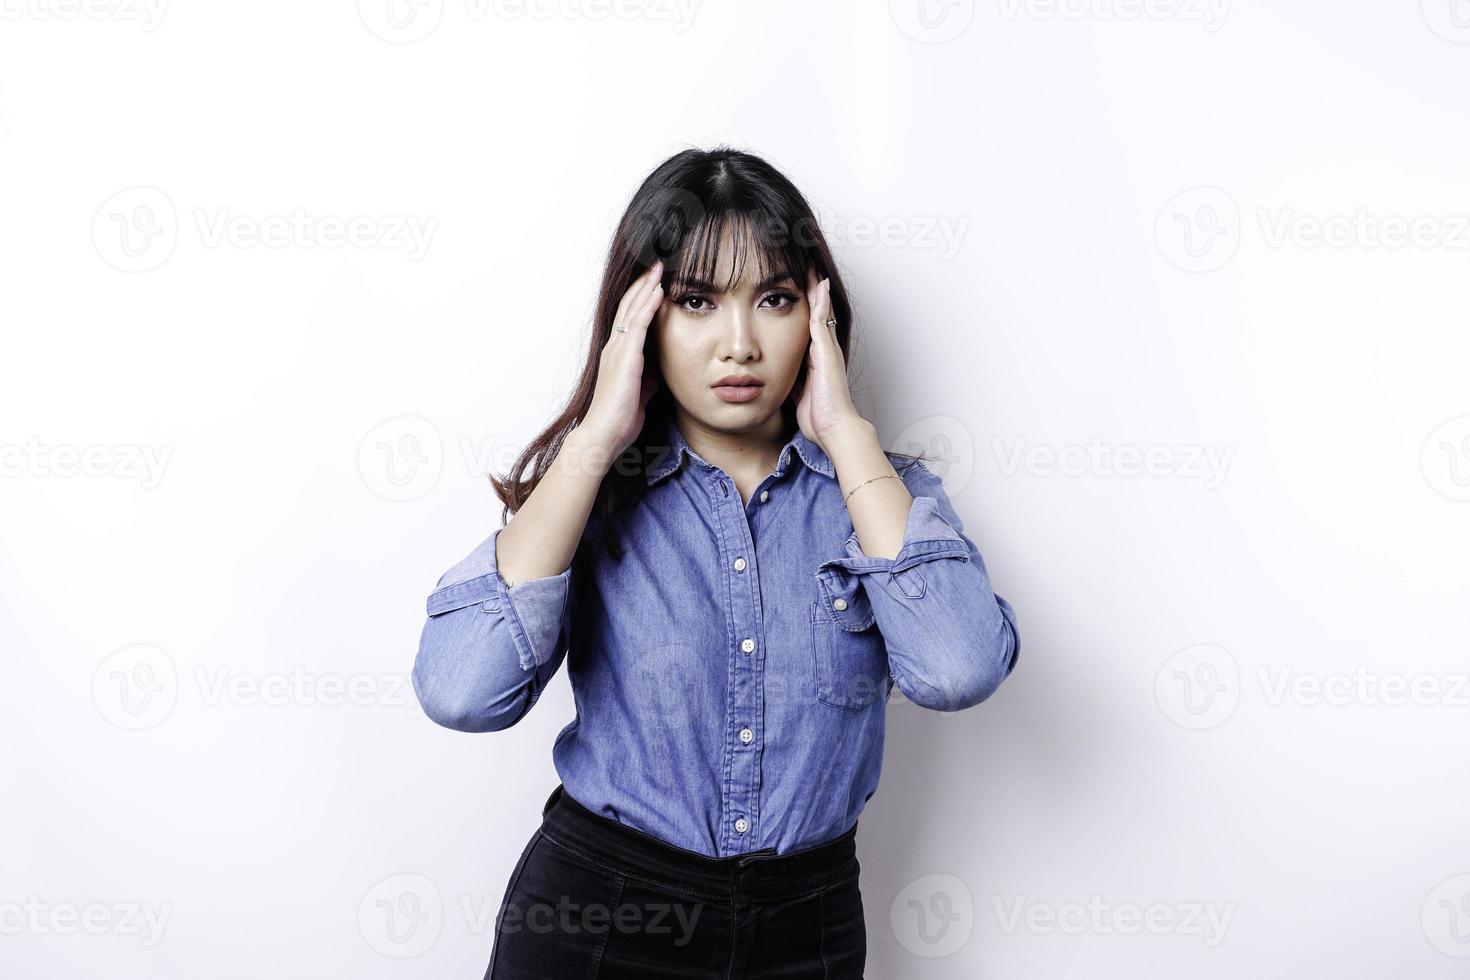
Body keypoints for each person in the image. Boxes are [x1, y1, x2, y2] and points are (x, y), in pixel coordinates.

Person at [411, 146, 1020, 979]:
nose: (739, 344)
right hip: (597, 923)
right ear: (643, 320)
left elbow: (957, 668)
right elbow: (460, 692)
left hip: (808, 931)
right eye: (696, 301)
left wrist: (846, 434)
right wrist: (595, 439)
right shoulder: (592, 493)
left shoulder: (884, 496)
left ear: (819, 316)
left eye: (773, 299)